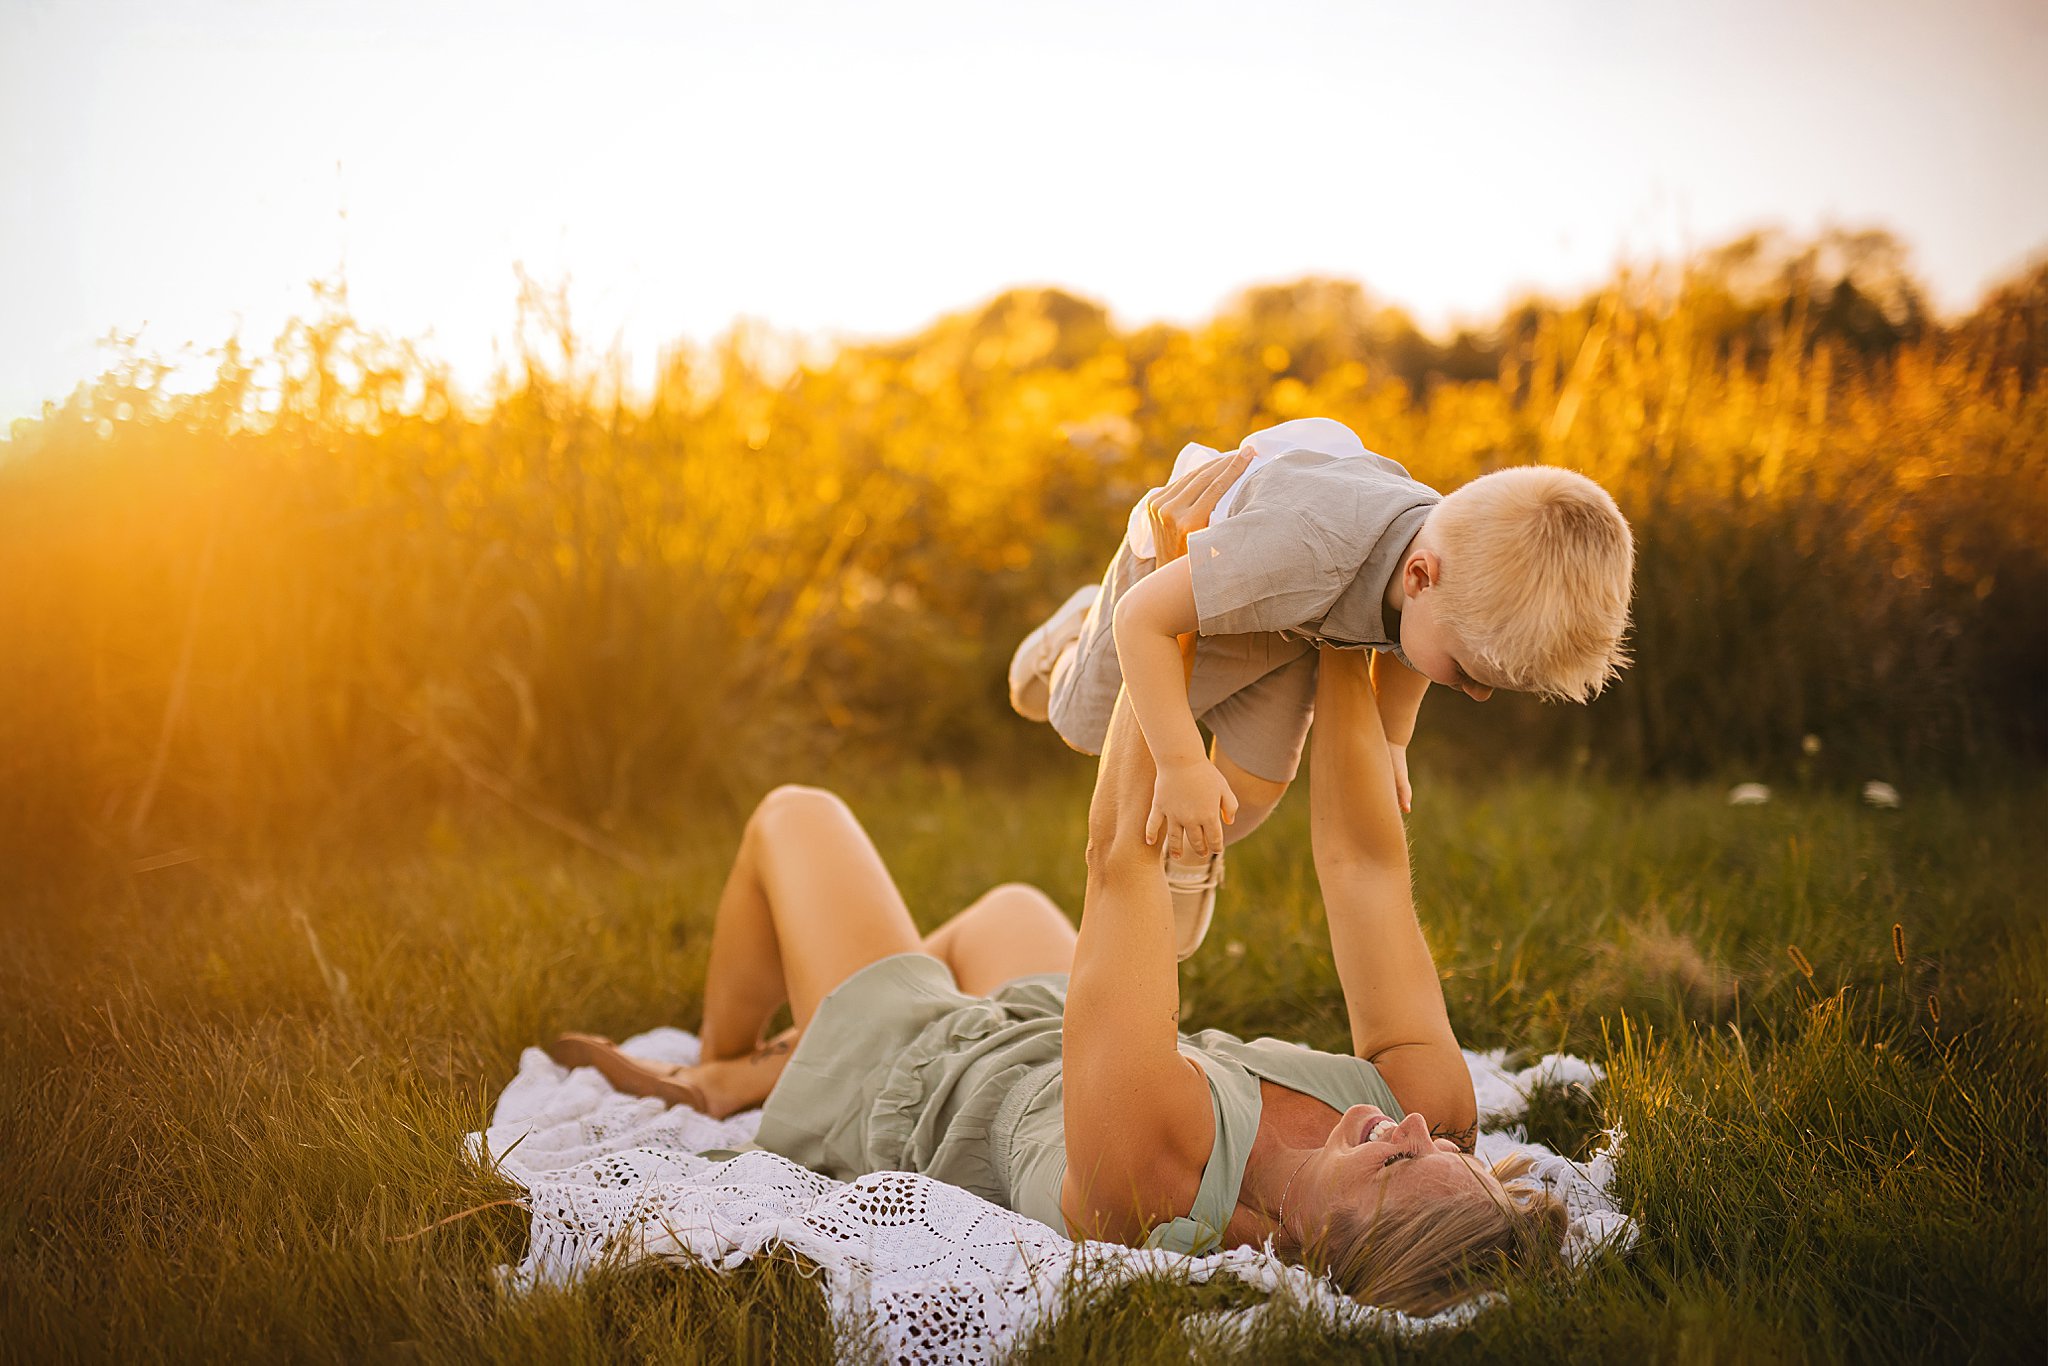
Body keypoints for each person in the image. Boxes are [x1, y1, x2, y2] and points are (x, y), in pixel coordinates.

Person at [549, 490, 1567, 1314]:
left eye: (1396, 1170)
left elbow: (1119, 855)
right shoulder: (1428, 1110)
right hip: (1043, 1048)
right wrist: (1363, 598)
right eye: (1434, 1150)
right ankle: (750, 1064)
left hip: (917, 1079)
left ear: (1307, 1253)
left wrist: (1170, 601)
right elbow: (1362, 866)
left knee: (794, 814)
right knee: (1003, 909)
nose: (1401, 1130)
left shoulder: (1152, 1176)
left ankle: (716, 1063)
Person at [1007, 418, 1634, 959]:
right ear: (1419, 576)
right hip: (1185, 583)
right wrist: (1181, 762)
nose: (1474, 694)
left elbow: (1404, 645)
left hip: (1293, 619)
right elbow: (1141, 620)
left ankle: (1193, 844)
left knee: (1256, 786)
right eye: (1468, 672)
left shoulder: (1448, 570)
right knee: (1085, 726)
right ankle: (1068, 639)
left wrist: (1392, 740)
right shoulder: (1308, 548)